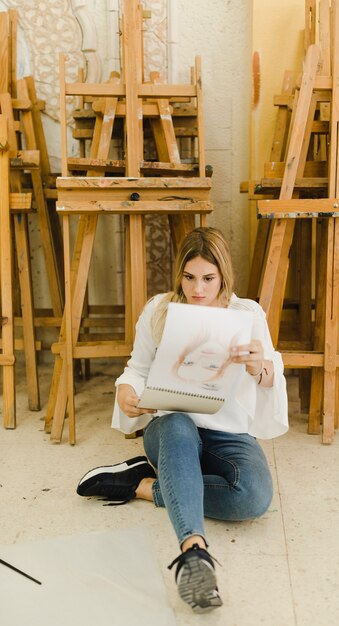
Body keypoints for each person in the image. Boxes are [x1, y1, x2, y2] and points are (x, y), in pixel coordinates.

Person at [76, 226, 288, 613]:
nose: (198, 289)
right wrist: (127, 393)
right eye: (189, 277)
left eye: (208, 278)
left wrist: (261, 367)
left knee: (254, 497)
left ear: (223, 276)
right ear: (180, 275)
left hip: (228, 435)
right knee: (176, 424)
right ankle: (194, 554)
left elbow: (272, 376)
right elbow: (136, 370)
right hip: (171, 429)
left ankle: (143, 484)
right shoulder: (158, 310)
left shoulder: (247, 314)